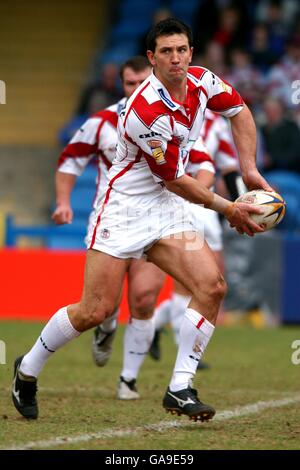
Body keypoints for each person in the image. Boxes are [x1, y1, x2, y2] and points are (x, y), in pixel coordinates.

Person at [12, 18, 271, 423]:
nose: (176, 59)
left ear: (191, 52)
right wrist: (229, 208)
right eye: (166, 52)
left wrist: (250, 170)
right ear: (152, 58)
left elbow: (239, 111)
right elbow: (175, 179)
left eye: (182, 50)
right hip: (126, 209)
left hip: (168, 210)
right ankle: (26, 369)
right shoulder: (144, 109)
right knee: (94, 311)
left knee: (212, 286)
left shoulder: (203, 81)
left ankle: (180, 387)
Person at [52, 56, 166, 400]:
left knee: (145, 299)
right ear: (122, 84)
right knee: (104, 304)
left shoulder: (171, 118)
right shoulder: (103, 122)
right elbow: (70, 159)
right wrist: (63, 201)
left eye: (143, 82)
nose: (137, 89)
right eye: (130, 83)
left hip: (155, 222)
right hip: (114, 222)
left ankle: (128, 379)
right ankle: (107, 325)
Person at [149, 109, 245, 362]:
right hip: (177, 202)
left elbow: (229, 168)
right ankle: (185, 346)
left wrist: (243, 202)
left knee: (212, 279)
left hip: (206, 205)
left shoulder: (216, 124)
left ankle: (155, 325)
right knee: (190, 279)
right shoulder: (165, 117)